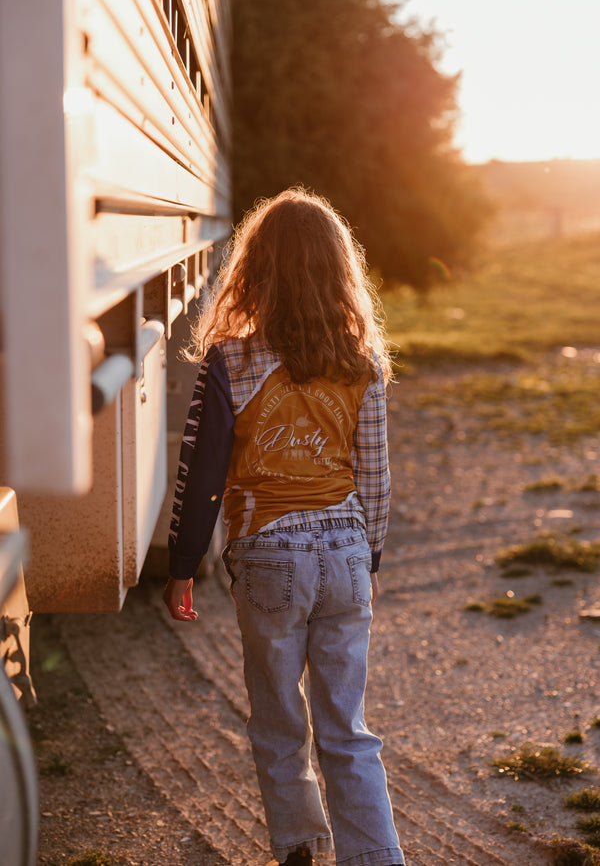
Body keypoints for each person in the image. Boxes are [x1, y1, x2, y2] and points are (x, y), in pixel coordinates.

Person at [163, 188, 405, 866]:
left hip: (270, 558)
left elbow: (201, 477)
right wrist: (372, 563)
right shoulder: (362, 362)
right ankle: (377, 858)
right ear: (338, 272)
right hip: (346, 551)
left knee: (278, 721)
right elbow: (375, 478)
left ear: (255, 271)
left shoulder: (229, 362)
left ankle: (299, 847)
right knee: (347, 728)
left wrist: (183, 567)